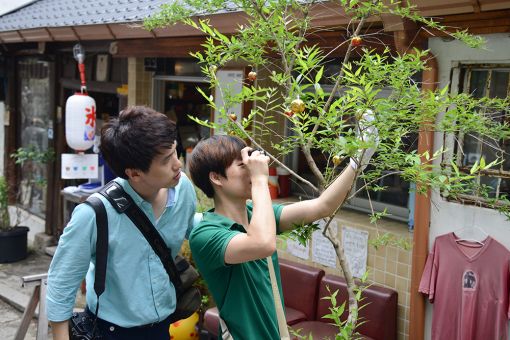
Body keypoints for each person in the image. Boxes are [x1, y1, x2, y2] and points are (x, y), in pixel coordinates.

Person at [187, 114, 377, 339]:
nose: (252, 170)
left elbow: (323, 206)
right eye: (243, 166)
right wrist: (259, 180)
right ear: (216, 178)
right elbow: (262, 243)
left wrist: (358, 161)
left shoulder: (256, 214)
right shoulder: (206, 234)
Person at [46, 106, 197, 340]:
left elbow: (192, 227)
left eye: (175, 152)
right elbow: (61, 283)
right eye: (167, 160)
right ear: (134, 173)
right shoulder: (94, 214)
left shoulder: (183, 188)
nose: (178, 164)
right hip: (111, 331)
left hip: (163, 327)